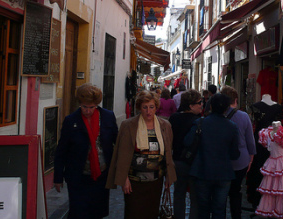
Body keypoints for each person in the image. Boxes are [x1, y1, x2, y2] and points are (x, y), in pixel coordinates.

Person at [106, 90, 177, 219]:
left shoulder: (165, 126)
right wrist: (124, 179)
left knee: (151, 213)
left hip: (156, 182)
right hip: (134, 183)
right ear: (139, 108)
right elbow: (122, 154)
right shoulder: (128, 125)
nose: (148, 111)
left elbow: (168, 153)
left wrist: (169, 176)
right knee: (134, 213)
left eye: (151, 107)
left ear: (156, 107)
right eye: (145, 107)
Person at [53, 83, 119, 218]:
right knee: (78, 213)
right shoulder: (71, 121)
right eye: (84, 107)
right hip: (78, 176)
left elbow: (116, 142)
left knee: (97, 212)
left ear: (96, 105)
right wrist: (58, 177)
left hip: (101, 176)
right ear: (80, 103)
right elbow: (62, 150)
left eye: (91, 107)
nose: (88, 110)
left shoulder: (107, 117)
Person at [185, 93, 240, 219]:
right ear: (226, 108)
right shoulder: (232, 127)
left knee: (203, 209)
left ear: (210, 106)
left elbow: (187, 142)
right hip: (223, 173)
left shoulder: (200, 123)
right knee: (219, 209)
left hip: (202, 171)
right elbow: (234, 154)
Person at [220, 86, 256, 219]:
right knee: (236, 191)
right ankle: (236, 216)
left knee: (221, 193)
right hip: (240, 161)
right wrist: (251, 158)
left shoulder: (217, 115)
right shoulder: (243, 116)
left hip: (222, 161)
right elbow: (250, 141)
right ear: (235, 100)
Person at [168, 89, 203, 219]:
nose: (201, 105)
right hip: (194, 163)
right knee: (195, 197)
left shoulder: (174, 118)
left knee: (179, 195)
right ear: (191, 105)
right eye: (199, 102)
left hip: (177, 161)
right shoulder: (198, 121)